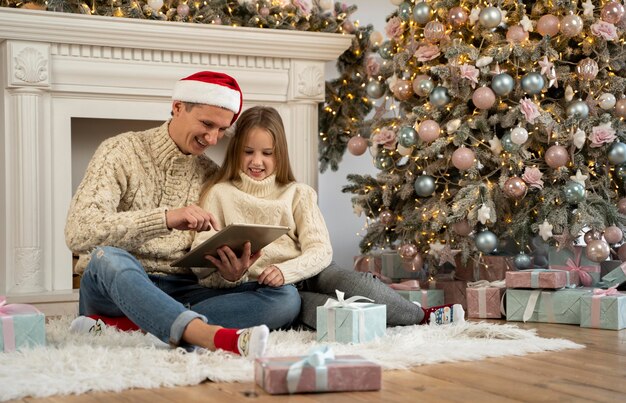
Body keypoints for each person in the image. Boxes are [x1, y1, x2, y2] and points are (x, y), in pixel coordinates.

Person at [65, 71, 301, 358]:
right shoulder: (120, 151)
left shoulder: (212, 176)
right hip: (116, 287)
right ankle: (208, 336)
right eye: (206, 123)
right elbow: (79, 232)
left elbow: (205, 274)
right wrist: (165, 218)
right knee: (107, 258)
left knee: (285, 298)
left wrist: (230, 275)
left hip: (182, 290)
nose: (213, 138)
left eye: (222, 130)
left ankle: (137, 326)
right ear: (177, 107)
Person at [192, 105, 465, 328]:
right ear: (236, 151)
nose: (257, 162)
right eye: (248, 152)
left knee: (353, 284)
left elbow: (320, 250)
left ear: (280, 155)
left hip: (309, 271)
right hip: (265, 288)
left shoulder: (298, 193)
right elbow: (200, 260)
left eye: (267, 154)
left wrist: (286, 271)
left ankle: (421, 316)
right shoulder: (219, 194)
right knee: (329, 311)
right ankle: (389, 318)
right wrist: (231, 276)